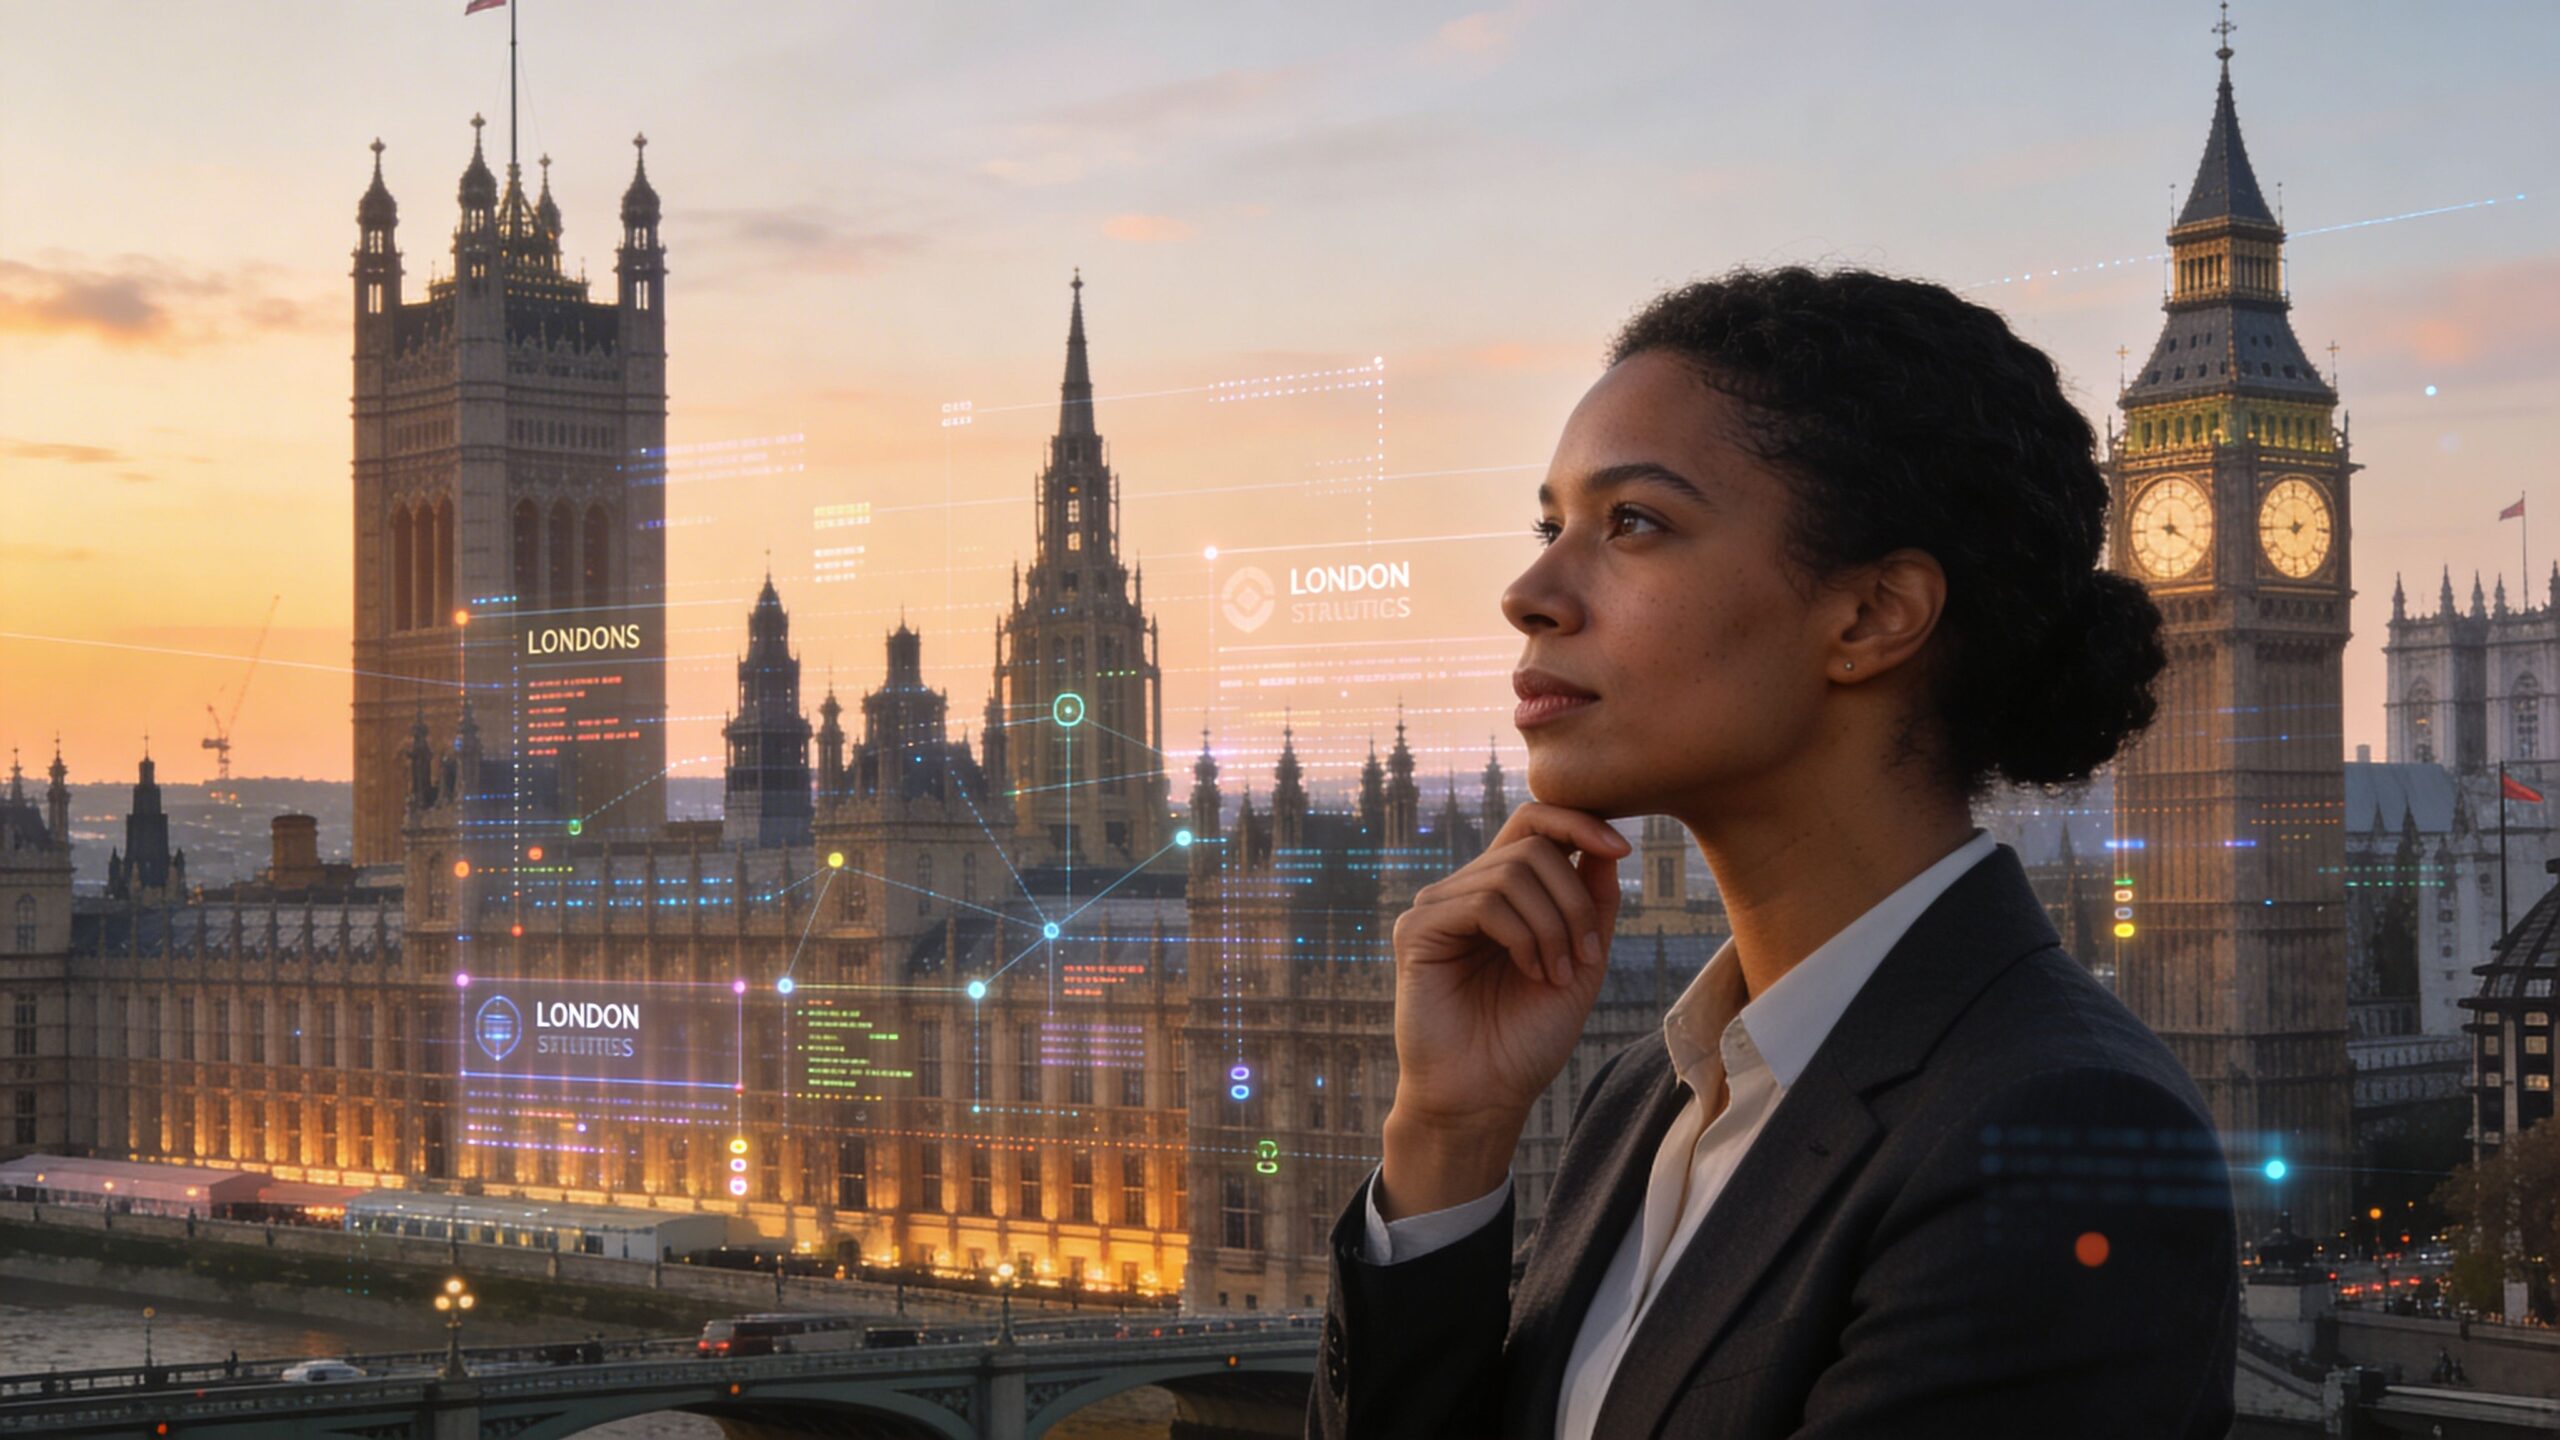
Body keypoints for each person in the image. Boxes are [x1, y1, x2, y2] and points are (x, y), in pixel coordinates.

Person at [1308, 266, 2239, 1439]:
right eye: (1551, 526)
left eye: (1631, 522)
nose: (1528, 592)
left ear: (1868, 617)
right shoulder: (1648, 1091)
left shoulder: (2061, 1133)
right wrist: (1447, 1133)